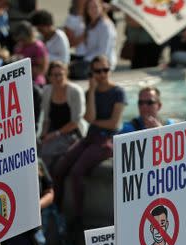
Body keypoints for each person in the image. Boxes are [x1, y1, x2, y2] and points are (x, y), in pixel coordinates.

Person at [53, 55, 126, 229]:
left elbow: (113, 123)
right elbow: (90, 118)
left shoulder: (118, 92)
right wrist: (92, 91)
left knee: (78, 171)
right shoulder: (89, 92)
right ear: (92, 73)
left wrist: (95, 122)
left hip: (106, 140)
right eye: (98, 71)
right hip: (90, 138)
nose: (102, 74)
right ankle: (57, 209)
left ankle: (78, 218)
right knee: (60, 168)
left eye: (105, 70)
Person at [39, 61, 85, 172]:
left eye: (61, 74)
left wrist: (55, 134)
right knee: (37, 151)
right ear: (49, 77)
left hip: (72, 133)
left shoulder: (75, 91)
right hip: (53, 132)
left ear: (66, 74)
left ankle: (47, 185)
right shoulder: (47, 91)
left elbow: (75, 122)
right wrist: (43, 135)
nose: (58, 78)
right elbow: (46, 118)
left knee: (46, 154)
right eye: (54, 75)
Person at [68, 0, 117, 79]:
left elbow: (103, 52)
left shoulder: (106, 26)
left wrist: (82, 61)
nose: (94, 10)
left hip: (101, 63)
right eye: (90, 8)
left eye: (96, 7)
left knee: (71, 70)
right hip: (88, 58)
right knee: (65, 61)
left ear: (101, 8)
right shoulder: (90, 24)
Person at [12, 21, 49, 86]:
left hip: (36, 82)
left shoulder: (38, 47)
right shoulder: (19, 46)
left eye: (23, 39)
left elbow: (43, 69)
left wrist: (27, 70)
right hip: (21, 79)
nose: (21, 42)